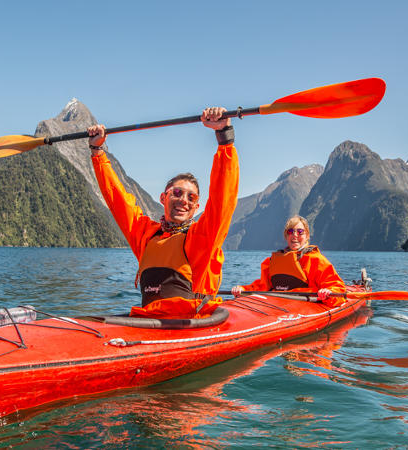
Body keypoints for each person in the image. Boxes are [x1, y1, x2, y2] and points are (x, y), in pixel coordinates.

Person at [88, 107, 238, 318]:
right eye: (177, 193)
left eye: (191, 197)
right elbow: (118, 200)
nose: (183, 200)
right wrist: (97, 153)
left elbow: (223, 199)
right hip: (147, 323)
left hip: (190, 328)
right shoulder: (146, 235)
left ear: (196, 208)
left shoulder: (201, 239)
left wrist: (225, 137)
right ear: (163, 198)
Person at [230, 215, 347, 306]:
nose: (295, 235)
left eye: (300, 232)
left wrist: (328, 291)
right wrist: (243, 289)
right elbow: (262, 286)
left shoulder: (316, 259)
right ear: (286, 236)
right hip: (276, 303)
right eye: (290, 232)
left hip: (306, 304)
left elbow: (337, 288)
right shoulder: (271, 261)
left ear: (307, 236)